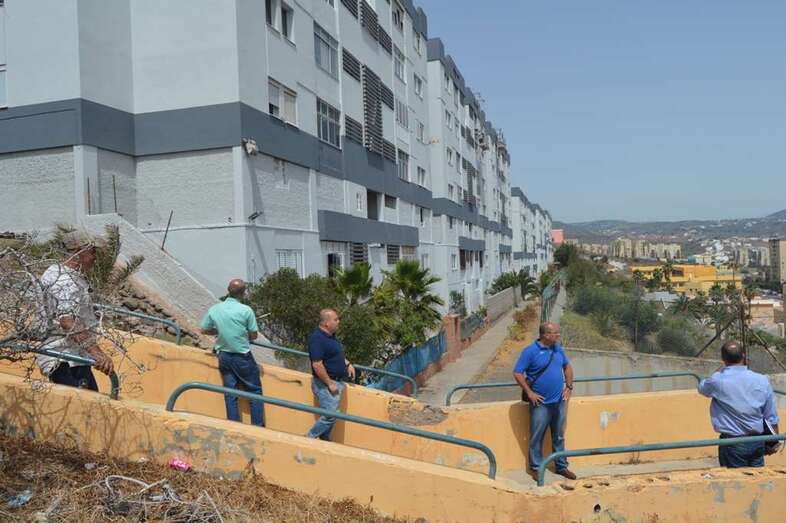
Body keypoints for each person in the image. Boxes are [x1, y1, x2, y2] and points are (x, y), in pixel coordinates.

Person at [36, 231, 114, 391]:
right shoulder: (65, 281)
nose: (95, 257)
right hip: (65, 359)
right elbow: (68, 321)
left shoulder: (55, 272)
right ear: (78, 252)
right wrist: (98, 354)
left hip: (71, 358)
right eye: (92, 252)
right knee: (88, 411)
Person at [698, 340, 780, 468]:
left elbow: (702, 388)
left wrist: (722, 368)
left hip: (732, 443)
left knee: (736, 485)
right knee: (757, 481)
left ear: (723, 358)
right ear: (743, 355)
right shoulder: (761, 380)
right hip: (757, 441)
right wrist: (773, 442)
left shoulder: (717, 381)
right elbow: (771, 416)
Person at [513, 322, 576, 480]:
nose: (558, 335)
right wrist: (530, 393)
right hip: (540, 404)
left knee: (559, 436)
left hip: (559, 401)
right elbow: (518, 373)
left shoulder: (557, 348)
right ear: (545, 335)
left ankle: (561, 466)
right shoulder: (530, 351)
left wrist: (569, 387)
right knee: (537, 437)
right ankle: (536, 468)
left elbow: (567, 367)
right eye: (555, 333)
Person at [200, 279, 264, 427]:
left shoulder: (215, 308)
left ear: (228, 290)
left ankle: (233, 426)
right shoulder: (246, 310)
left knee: (230, 393)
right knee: (254, 392)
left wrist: (219, 331)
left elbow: (203, 329)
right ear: (243, 293)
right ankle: (258, 428)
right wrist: (241, 333)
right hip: (242, 356)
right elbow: (253, 336)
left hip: (223, 355)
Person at [305, 309, 355, 441]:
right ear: (326, 323)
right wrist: (329, 383)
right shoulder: (317, 338)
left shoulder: (331, 337)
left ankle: (325, 440)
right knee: (330, 414)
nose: (338, 322)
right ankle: (308, 438)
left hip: (335, 382)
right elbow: (317, 364)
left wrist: (347, 363)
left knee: (331, 416)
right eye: (336, 319)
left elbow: (334, 355)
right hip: (325, 384)